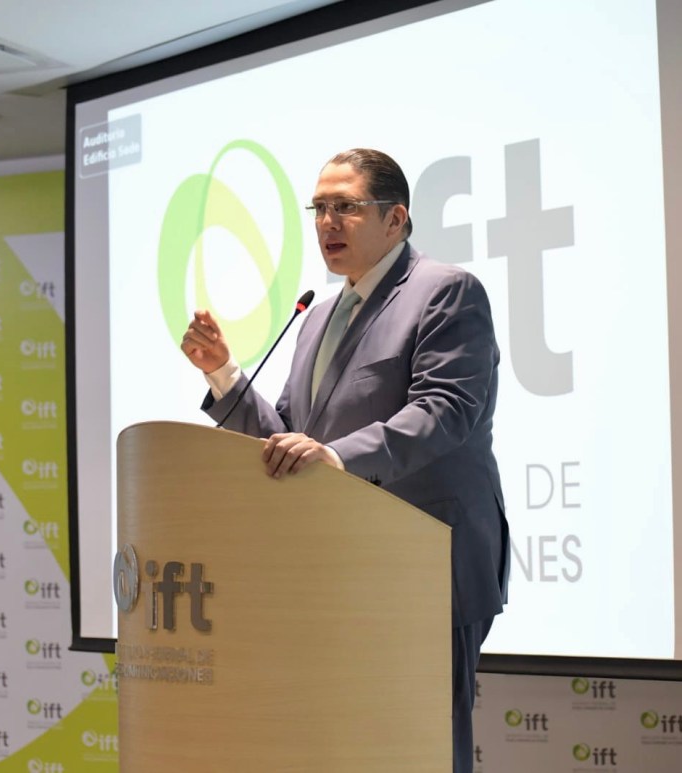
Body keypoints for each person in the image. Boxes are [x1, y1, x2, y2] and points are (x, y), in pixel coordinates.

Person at [181, 147, 509, 773]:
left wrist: (334, 455)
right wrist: (223, 373)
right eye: (319, 208)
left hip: (424, 561)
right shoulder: (318, 316)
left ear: (395, 218)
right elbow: (289, 439)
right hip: (336, 568)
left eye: (346, 207)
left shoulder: (445, 292)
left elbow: (445, 410)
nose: (327, 222)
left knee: (422, 748)